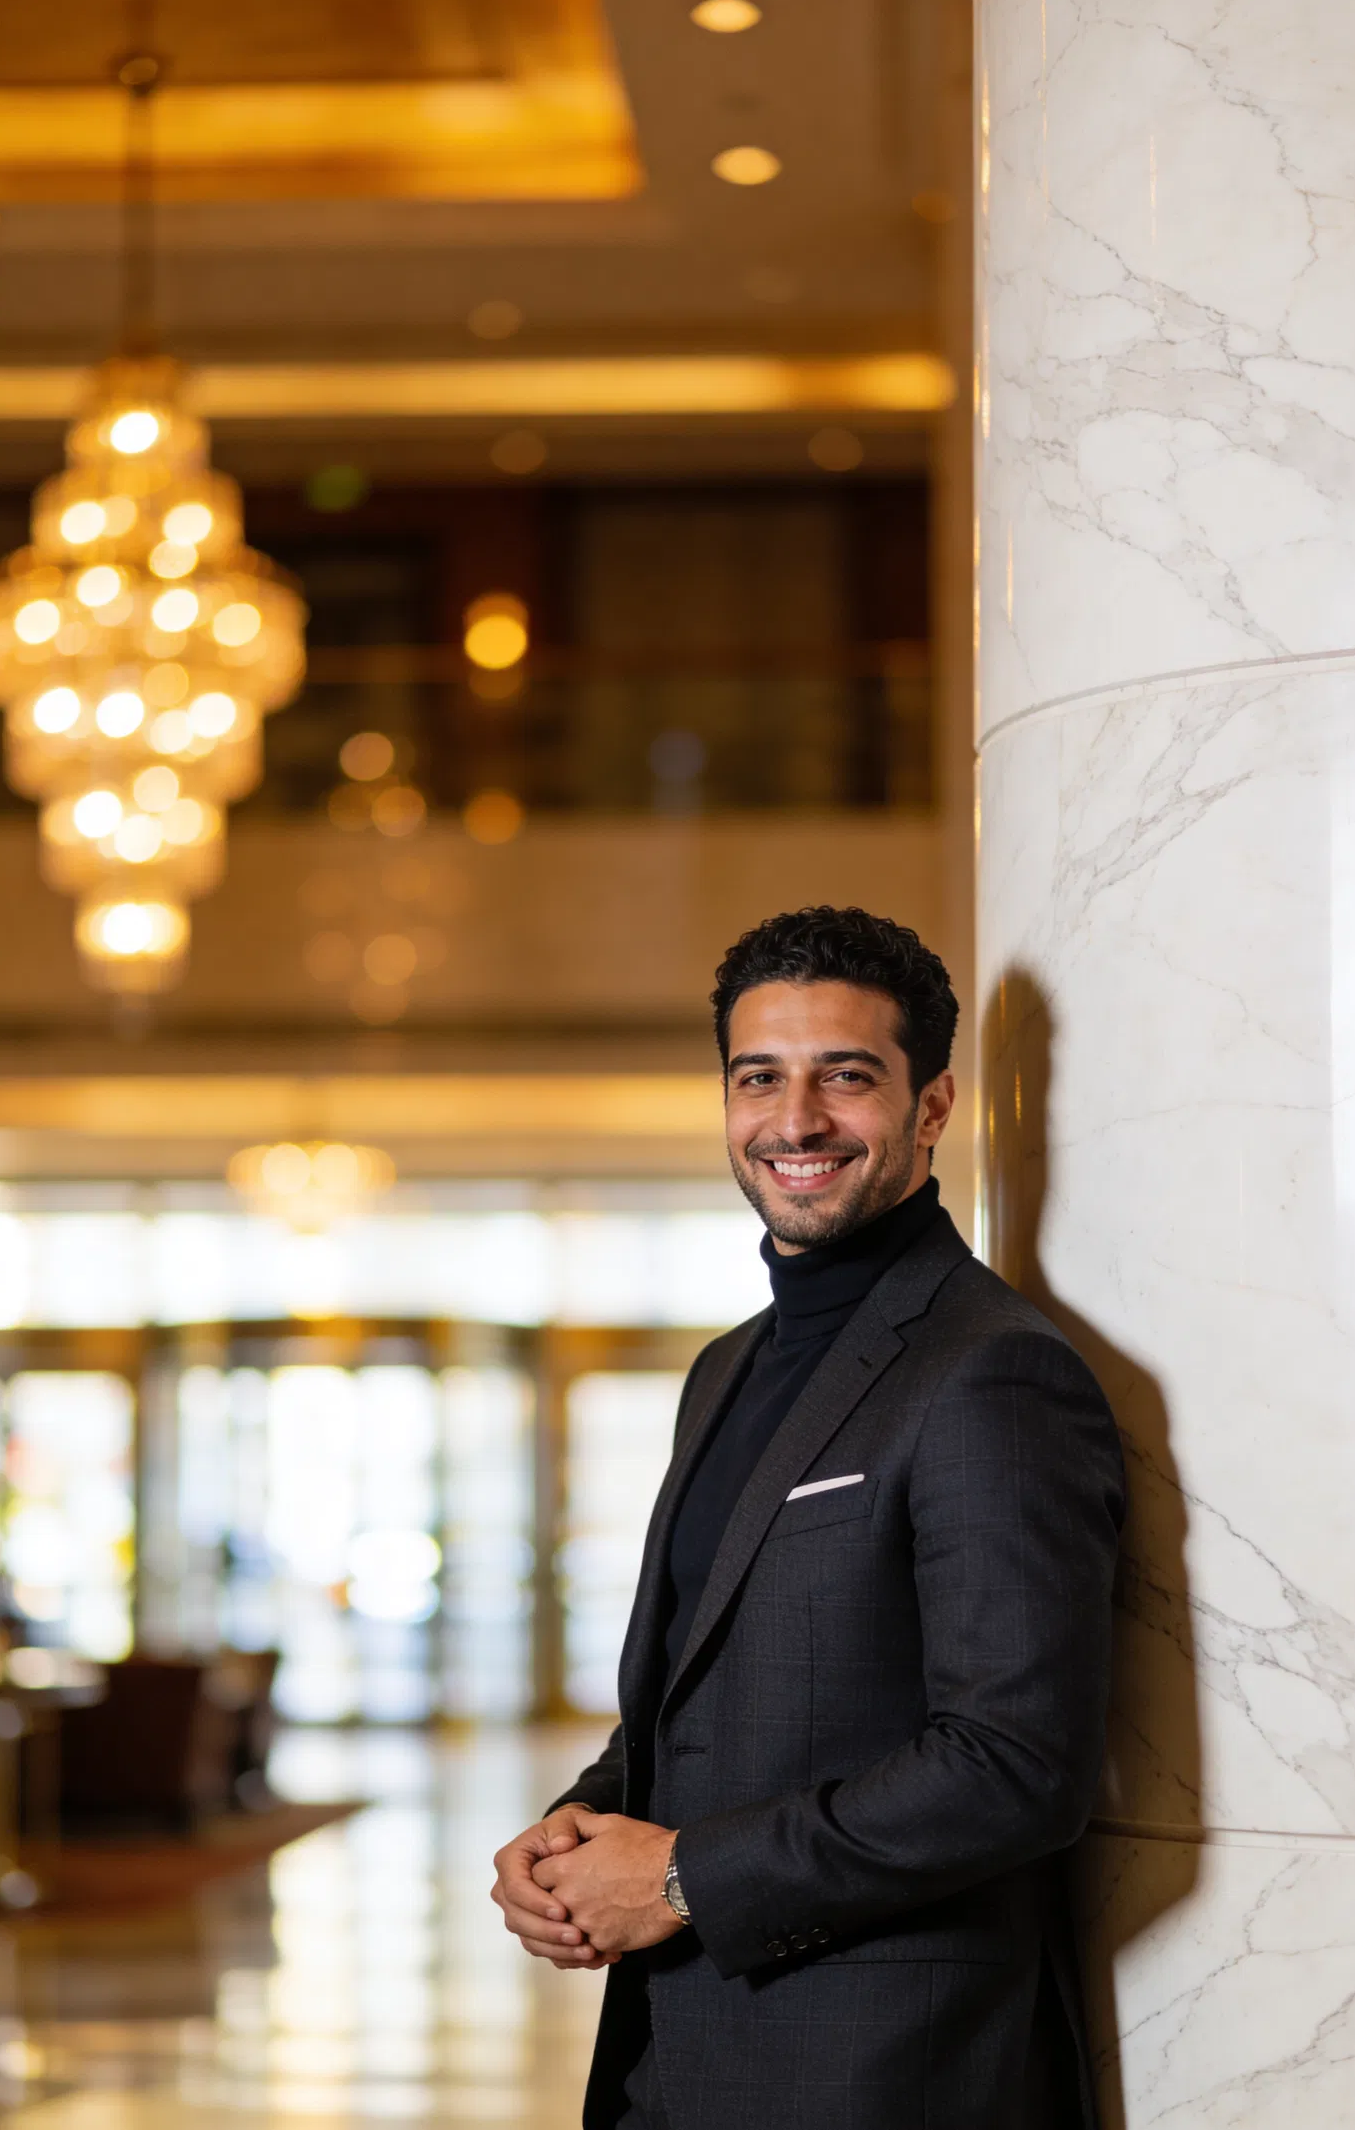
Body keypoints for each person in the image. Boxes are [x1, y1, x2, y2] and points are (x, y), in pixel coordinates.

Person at [491, 906, 1124, 2130]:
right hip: (676, 2051)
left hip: (884, 2069)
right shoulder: (726, 1369)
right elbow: (702, 1696)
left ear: (931, 1107)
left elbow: (1016, 1766)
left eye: (847, 1076)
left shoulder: (989, 1369)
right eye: (758, 1078)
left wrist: (678, 1877)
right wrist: (581, 1827)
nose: (795, 1122)